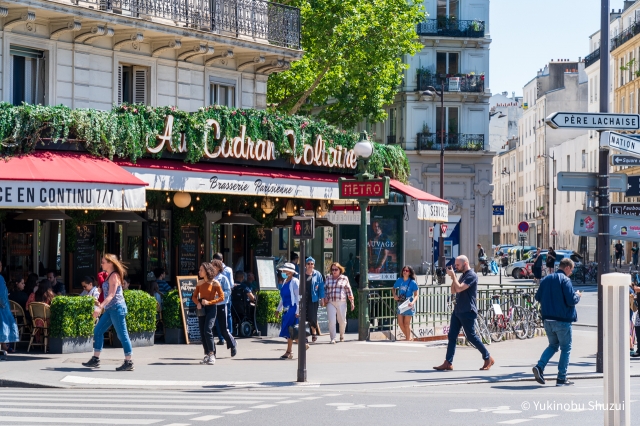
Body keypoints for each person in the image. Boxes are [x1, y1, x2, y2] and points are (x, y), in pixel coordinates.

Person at [434, 255, 494, 371]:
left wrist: (455, 278)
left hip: (467, 310)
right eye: (455, 265)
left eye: (457, 265)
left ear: (465, 264)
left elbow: (460, 288)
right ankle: (448, 362)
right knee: (452, 336)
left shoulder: (472, 275)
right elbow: (453, 290)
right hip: (458, 310)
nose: (456, 267)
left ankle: (488, 357)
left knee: (471, 336)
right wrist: (453, 277)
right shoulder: (462, 276)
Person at [532, 258, 581, 386]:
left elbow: (538, 297)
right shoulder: (565, 280)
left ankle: (540, 366)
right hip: (562, 320)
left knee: (553, 345)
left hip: (547, 319)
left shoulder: (546, 279)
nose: (571, 272)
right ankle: (561, 378)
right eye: (571, 269)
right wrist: (577, 295)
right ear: (567, 268)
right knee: (566, 348)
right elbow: (571, 300)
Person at [83, 254, 134, 372]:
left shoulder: (114, 276)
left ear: (110, 263)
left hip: (117, 308)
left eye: (103, 262)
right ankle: (95, 359)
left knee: (122, 335)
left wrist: (100, 307)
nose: (101, 264)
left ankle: (129, 361)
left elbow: (112, 294)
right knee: (98, 331)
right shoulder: (108, 276)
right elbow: (107, 292)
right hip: (111, 309)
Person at [193, 262, 225, 365]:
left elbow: (222, 297)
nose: (199, 272)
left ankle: (212, 354)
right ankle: (207, 354)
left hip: (211, 308)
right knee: (202, 332)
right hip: (202, 308)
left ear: (207, 271)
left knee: (208, 329)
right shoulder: (199, 283)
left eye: (201, 270)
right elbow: (194, 296)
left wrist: (209, 302)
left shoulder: (215, 283)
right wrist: (197, 303)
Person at [210, 259, 237, 357]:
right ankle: (212, 351)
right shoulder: (209, 278)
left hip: (221, 304)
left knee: (223, 329)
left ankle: (232, 344)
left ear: (217, 267)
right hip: (211, 305)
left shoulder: (223, 278)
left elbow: (228, 291)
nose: (211, 268)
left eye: (213, 266)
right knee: (210, 329)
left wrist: (219, 294)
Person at [323, 262, 354, 344]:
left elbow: (349, 290)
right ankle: (333, 338)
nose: (334, 271)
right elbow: (324, 289)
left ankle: (341, 334)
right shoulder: (328, 278)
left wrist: (352, 302)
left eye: (336, 269)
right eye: (332, 270)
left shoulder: (344, 278)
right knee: (331, 321)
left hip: (341, 301)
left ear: (340, 270)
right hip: (331, 302)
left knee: (342, 321)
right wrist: (325, 297)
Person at [275, 262, 301, 359]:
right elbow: (283, 298)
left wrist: (298, 311)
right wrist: (278, 309)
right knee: (290, 330)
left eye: (285, 270)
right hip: (286, 309)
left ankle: (289, 352)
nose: (283, 272)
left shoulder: (295, 282)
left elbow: (298, 297)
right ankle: (301, 345)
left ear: (291, 272)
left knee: (290, 329)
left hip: (292, 308)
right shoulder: (285, 281)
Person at [212, 253, 234, 345]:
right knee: (225, 317)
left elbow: (229, 288)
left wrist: (220, 294)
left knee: (224, 319)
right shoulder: (211, 276)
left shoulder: (224, 275)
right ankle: (224, 337)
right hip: (214, 302)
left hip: (223, 300)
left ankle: (227, 337)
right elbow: (232, 284)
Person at [393, 266, 419, 341]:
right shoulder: (399, 280)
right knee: (401, 323)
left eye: (407, 271)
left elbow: (416, 295)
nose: (405, 272)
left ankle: (408, 339)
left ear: (409, 272)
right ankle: (409, 338)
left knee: (406, 323)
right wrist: (395, 295)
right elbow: (393, 288)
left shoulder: (412, 282)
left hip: (408, 304)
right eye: (404, 270)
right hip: (401, 303)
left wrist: (412, 302)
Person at [304, 257, 325, 343]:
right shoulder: (302, 274)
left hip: (314, 298)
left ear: (314, 265)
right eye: (308, 264)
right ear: (305, 265)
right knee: (304, 317)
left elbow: (321, 287)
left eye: (311, 264)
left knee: (312, 317)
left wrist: (322, 298)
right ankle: (305, 335)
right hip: (304, 298)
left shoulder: (317, 274)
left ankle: (313, 332)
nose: (310, 265)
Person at [0, 269, 19, 359]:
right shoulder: (0, 278)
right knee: (3, 326)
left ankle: (3, 345)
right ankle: (3, 346)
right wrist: (4, 304)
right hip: (1, 308)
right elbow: (2, 294)